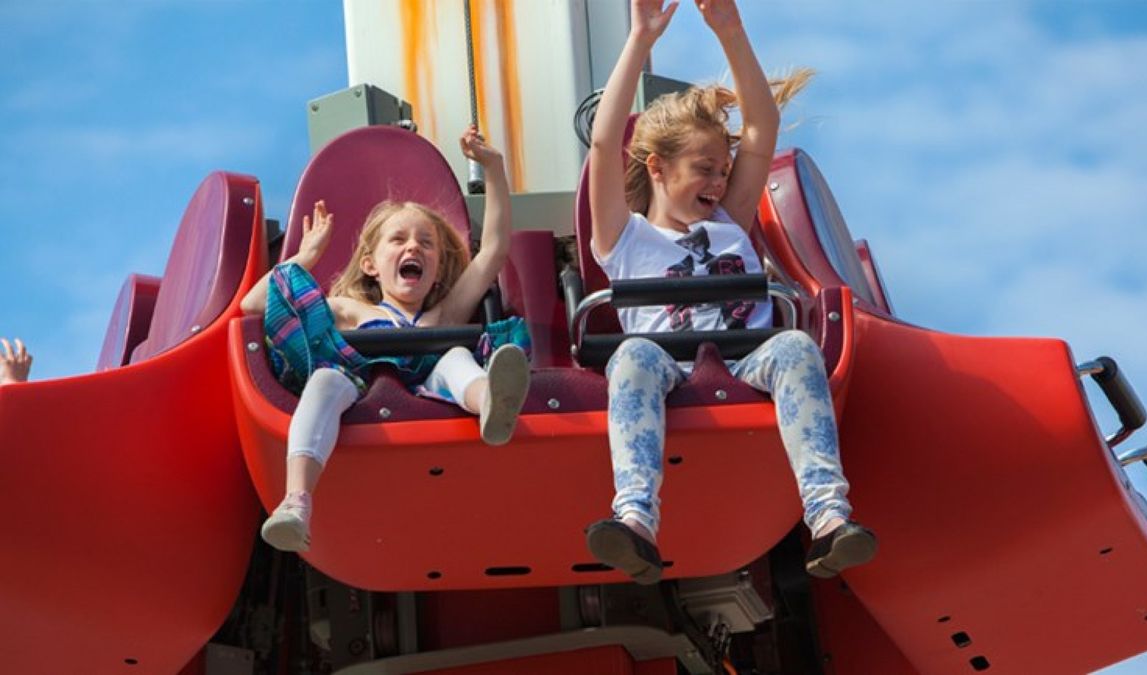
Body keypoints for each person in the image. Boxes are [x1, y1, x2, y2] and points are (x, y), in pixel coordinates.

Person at [584, 0, 876, 584]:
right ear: (657, 168)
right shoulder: (625, 237)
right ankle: (635, 517)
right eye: (704, 169)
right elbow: (602, 145)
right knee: (632, 355)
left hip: (744, 359)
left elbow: (762, 129)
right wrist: (639, 41)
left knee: (794, 346)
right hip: (667, 364)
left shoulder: (728, 223)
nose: (719, 182)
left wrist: (730, 30)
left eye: (723, 170)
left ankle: (827, 515)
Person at [241, 125, 531, 553]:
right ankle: (296, 500)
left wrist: (494, 168)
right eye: (398, 240)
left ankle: (491, 402)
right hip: (357, 384)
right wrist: (306, 256)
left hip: (426, 382)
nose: (413, 247)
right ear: (371, 265)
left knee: (453, 355)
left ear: (437, 269)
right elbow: (253, 304)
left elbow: (493, 251)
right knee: (325, 380)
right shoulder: (351, 310)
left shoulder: (443, 313)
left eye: (426, 244)